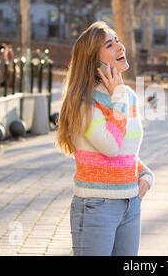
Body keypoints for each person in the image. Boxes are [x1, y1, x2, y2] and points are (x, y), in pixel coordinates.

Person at [56, 21, 155, 256]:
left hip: (130, 203)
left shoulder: (127, 96)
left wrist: (144, 173)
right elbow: (110, 145)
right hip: (95, 206)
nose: (120, 47)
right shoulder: (84, 102)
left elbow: (125, 152)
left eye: (117, 40)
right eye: (110, 45)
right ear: (94, 60)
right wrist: (118, 95)